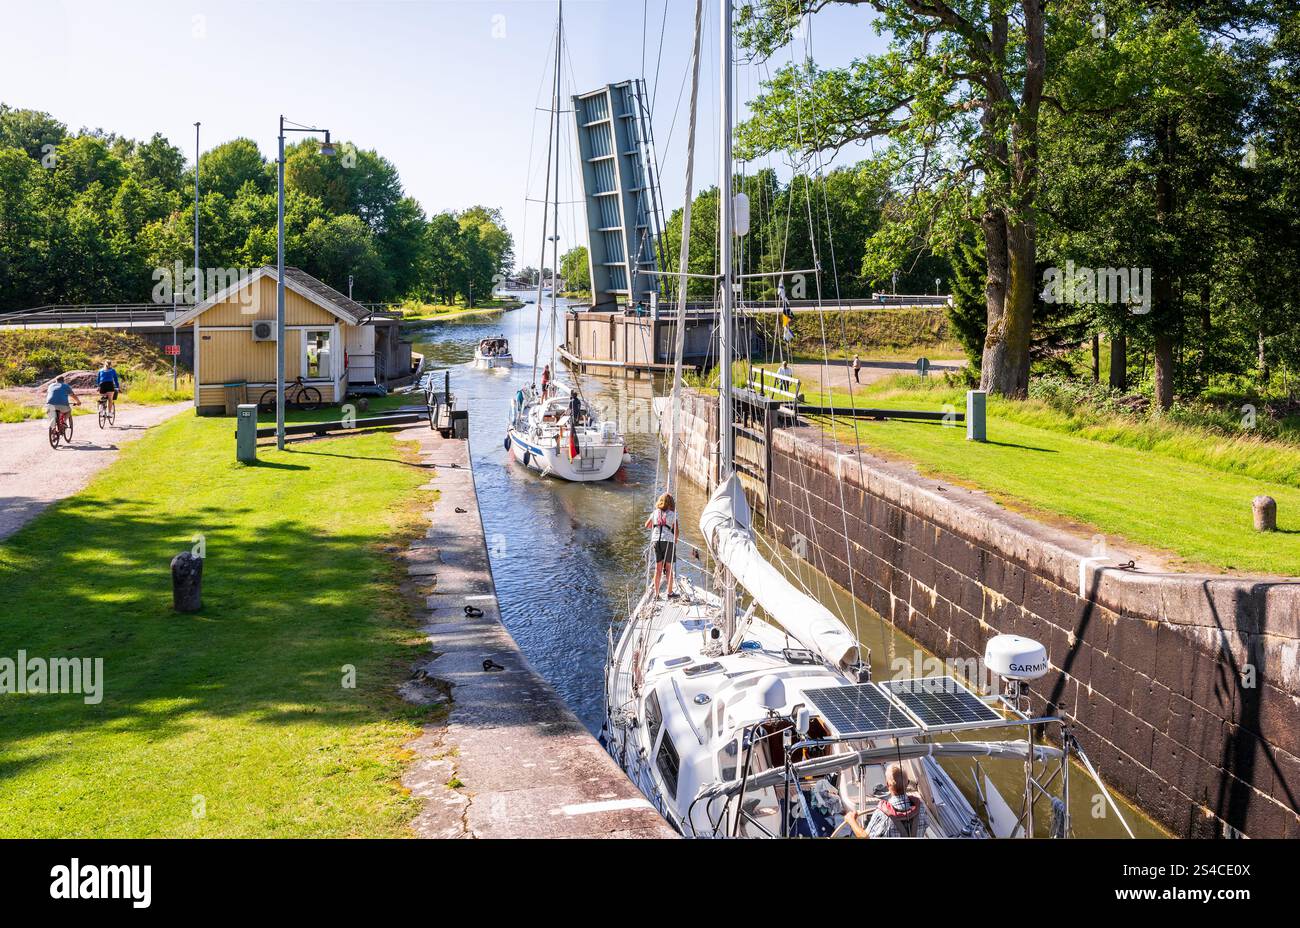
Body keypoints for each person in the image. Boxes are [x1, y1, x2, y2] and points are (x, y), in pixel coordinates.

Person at [845, 763, 928, 838]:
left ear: (887, 784)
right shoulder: (920, 808)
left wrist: (851, 820)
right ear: (907, 783)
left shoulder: (882, 814)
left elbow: (864, 837)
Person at [644, 493, 679, 599]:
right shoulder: (672, 514)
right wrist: (675, 540)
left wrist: (656, 526)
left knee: (658, 569)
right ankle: (669, 593)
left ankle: (656, 594)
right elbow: (676, 531)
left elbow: (647, 525)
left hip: (656, 541)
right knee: (668, 568)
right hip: (667, 541)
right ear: (670, 503)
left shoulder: (655, 513)